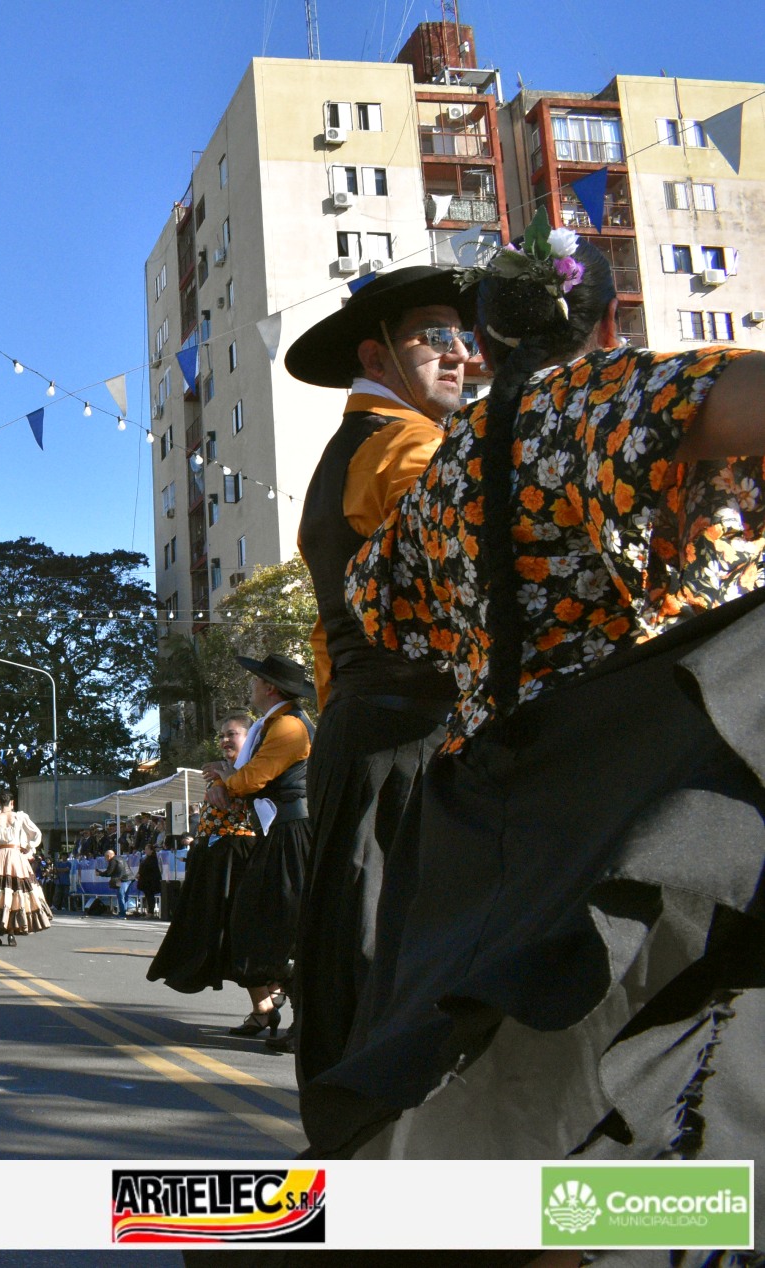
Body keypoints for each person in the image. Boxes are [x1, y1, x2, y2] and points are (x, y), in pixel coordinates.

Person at [323, 214, 765, 1194]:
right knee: (651, 1086)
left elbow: (376, 604)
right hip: (624, 798)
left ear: (483, 342)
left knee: (499, 1097)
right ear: (605, 322)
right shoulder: (603, 397)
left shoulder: (444, 467)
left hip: (482, 811)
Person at [284, 267, 470, 1118]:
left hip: (364, 731)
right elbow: (474, 571)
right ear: (377, 354)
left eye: (466, 337)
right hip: (409, 735)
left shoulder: (355, 447)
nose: (461, 354)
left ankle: (360, 1146)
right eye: (437, 336)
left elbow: (332, 641)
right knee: (398, 960)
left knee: (359, 952)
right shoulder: (409, 445)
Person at [210, 656, 314, 1047]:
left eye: (256, 681)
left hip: (292, 832)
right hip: (279, 832)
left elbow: (251, 778)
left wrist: (225, 779)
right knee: (261, 922)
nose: (251, 686)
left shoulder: (288, 726)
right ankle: (278, 1003)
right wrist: (224, 779)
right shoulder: (274, 724)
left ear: (269, 687)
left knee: (287, 925)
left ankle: (302, 1020)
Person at [149, 714, 257, 996]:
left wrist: (225, 777)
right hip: (213, 856)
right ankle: (263, 1004)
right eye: (221, 735)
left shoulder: (255, 768)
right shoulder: (223, 771)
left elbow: (250, 803)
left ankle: (269, 995)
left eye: (231, 734)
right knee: (210, 930)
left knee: (238, 931)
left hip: (238, 857)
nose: (224, 741)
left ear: (249, 737)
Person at [0, 788, 54, 945]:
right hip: (15, 856)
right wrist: (28, 846)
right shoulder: (20, 817)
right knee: (15, 891)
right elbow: (36, 834)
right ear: (12, 803)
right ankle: (11, 932)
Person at [101, 849, 136, 916]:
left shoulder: (113, 860)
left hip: (123, 879)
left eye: (105, 857)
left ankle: (122, 913)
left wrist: (100, 873)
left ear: (108, 856)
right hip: (130, 878)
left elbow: (109, 872)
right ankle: (124, 912)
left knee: (121, 896)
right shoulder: (120, 858)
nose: (105, 859)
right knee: (125, 897)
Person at [137, 843, 164, 918]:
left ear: (151, 850)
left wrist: (141, 873)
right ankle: (149, 911)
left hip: (151, 881)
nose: (145, 850)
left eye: (147, 849)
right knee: (148, 896)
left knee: (150, 897)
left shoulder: (153, 859)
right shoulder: (145, 858)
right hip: (146, 880)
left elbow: (149, 869)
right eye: (145, 849)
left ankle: (150, 912)